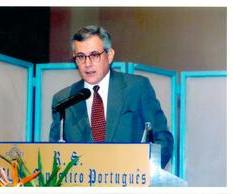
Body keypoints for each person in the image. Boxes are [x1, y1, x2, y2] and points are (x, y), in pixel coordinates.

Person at [49, 25, 173, 169]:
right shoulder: (64, 100)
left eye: (94, 55)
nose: (87, 64)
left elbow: (163, 139)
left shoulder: (137, 88)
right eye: (81, 57)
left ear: (109, 55)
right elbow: (54, 154)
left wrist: (143, 175)